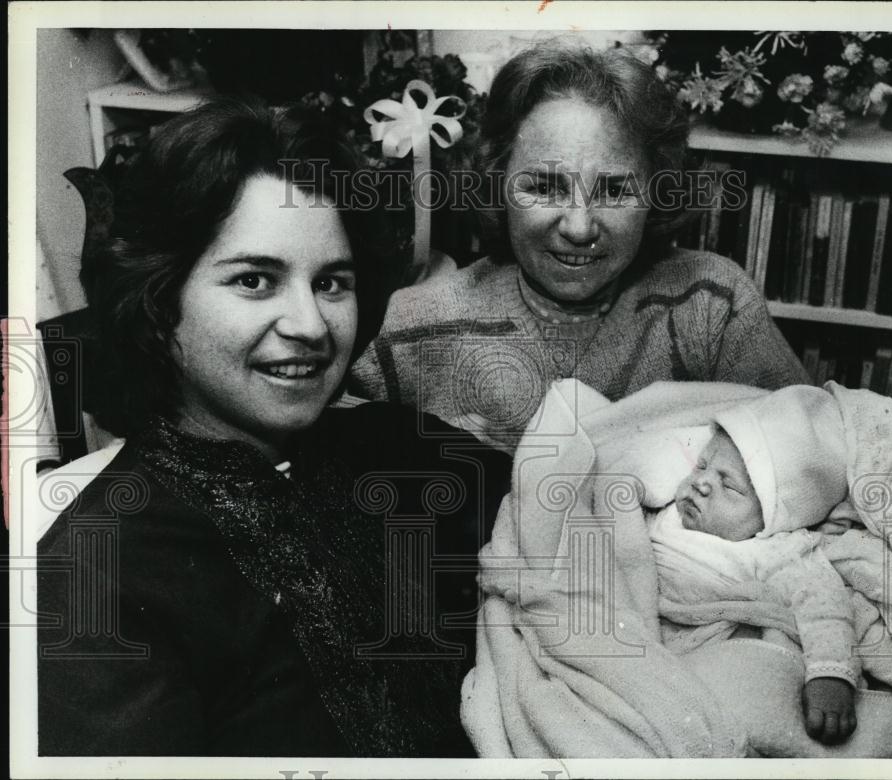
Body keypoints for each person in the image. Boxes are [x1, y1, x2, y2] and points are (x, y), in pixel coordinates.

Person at [36, 97, 511, 757]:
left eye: (332, 283)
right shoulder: (97, 570)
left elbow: (584, 506)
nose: (311, 326)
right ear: (158, 298)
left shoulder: (394, 447)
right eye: (256, 280)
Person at [350, 42, 808, 450]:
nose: (579, 227)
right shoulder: (412, 326)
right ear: (497, 183)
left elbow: (815, 448)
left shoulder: (711, 305)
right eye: (545, 187)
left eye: (613, 190)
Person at [646, 385, 859, 745]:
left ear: (772, 519)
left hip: (709, 653)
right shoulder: (664, 512)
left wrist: (831, 675)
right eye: (702, 466)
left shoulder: (775, 550)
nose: (701, 483)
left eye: (729, 488)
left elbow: (825, 607)